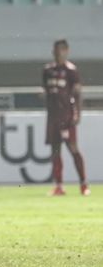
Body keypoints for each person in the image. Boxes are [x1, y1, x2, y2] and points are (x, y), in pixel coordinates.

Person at [43, 39, 90, 196]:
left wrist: (77, 113)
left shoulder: (71, 71)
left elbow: (77, 93)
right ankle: (59, 186)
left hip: (67, 117)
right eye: (55, 50)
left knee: (73, 148)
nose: (58, 53)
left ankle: (83, 184)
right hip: (53, 118)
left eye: (61, 50)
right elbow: (48, 92)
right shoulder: (47, 70)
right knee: (55, 151)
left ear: (66, 51)